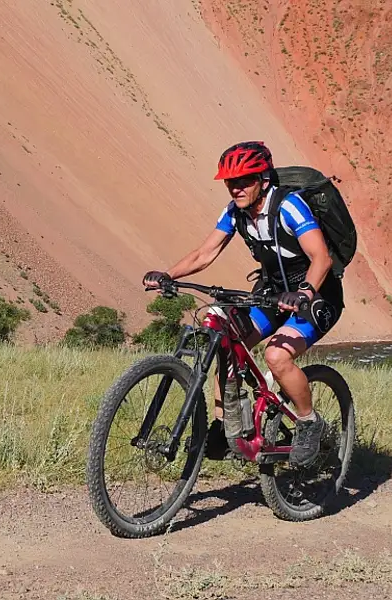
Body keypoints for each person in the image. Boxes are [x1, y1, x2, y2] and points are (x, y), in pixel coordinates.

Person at [143, 141, 343, 468]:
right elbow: (204, 254)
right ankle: (229, 425)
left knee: (277, 356)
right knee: (226, 340)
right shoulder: (235, 213)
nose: (235, 188)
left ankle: (309, 422)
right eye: (230, 182)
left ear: (263, 179)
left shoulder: (288, 207)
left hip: (316, 294)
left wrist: (305, 293)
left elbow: (321, 258)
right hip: (270, 295)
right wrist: (167, 274)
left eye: (244, 180)